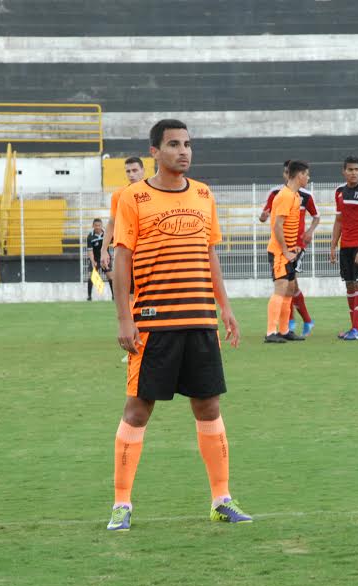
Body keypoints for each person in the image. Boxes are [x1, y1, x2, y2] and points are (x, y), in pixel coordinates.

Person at [107, 119, 250, 531]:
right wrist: (125, 317)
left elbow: (210, 255)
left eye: (187, 144)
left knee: (209, 406)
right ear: (155, 151)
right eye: (173, 144)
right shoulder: (133, 197)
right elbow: (122, 259)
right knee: (138, 409)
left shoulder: (204, 194)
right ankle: (122, 504)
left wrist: (225, 308)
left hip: (200, 317)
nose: (183, 151)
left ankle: (221, 499)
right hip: (154, 322)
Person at [259, 160, 320, 336]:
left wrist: (294, 248)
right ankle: (271, 332)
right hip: (280, 252)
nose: (308, 178)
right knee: (280, 288)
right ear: (299, 175)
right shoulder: (285, 196)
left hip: (291, 251)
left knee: (288, 292)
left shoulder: (294, 196)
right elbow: (278, 226)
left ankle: (285, 330)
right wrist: (285, 250)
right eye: (306, 174)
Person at [331, 156, 358, 340]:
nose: (354, 173)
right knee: (349, 285)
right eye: (350, 170)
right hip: (345, 247)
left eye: (357, 169)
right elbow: (339, 220)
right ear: (344, 171)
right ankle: (354, 327)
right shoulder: (339, 192)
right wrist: (333, 245)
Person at [100, 156, 145, 276]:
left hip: (149, 251)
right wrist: (104, 250)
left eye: (135, 170)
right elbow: (112, 223)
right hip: (127, 252)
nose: (131, 174)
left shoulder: (155, 192)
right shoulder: (118, 195)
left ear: (143, 171)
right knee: (128, 294)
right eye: (128, 171)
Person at [86, 218, 105, 301]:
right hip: (95, 258)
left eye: (99, 225)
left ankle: (114, 297)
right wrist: (93, 261)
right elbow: (90, 251)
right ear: (93, 226)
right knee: (91, 276)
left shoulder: (106, 234)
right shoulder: (90, 236)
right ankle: (89, 297)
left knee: (111, 276)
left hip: (104, 258)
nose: (97, 227)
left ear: (102, 226)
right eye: (96, 225)